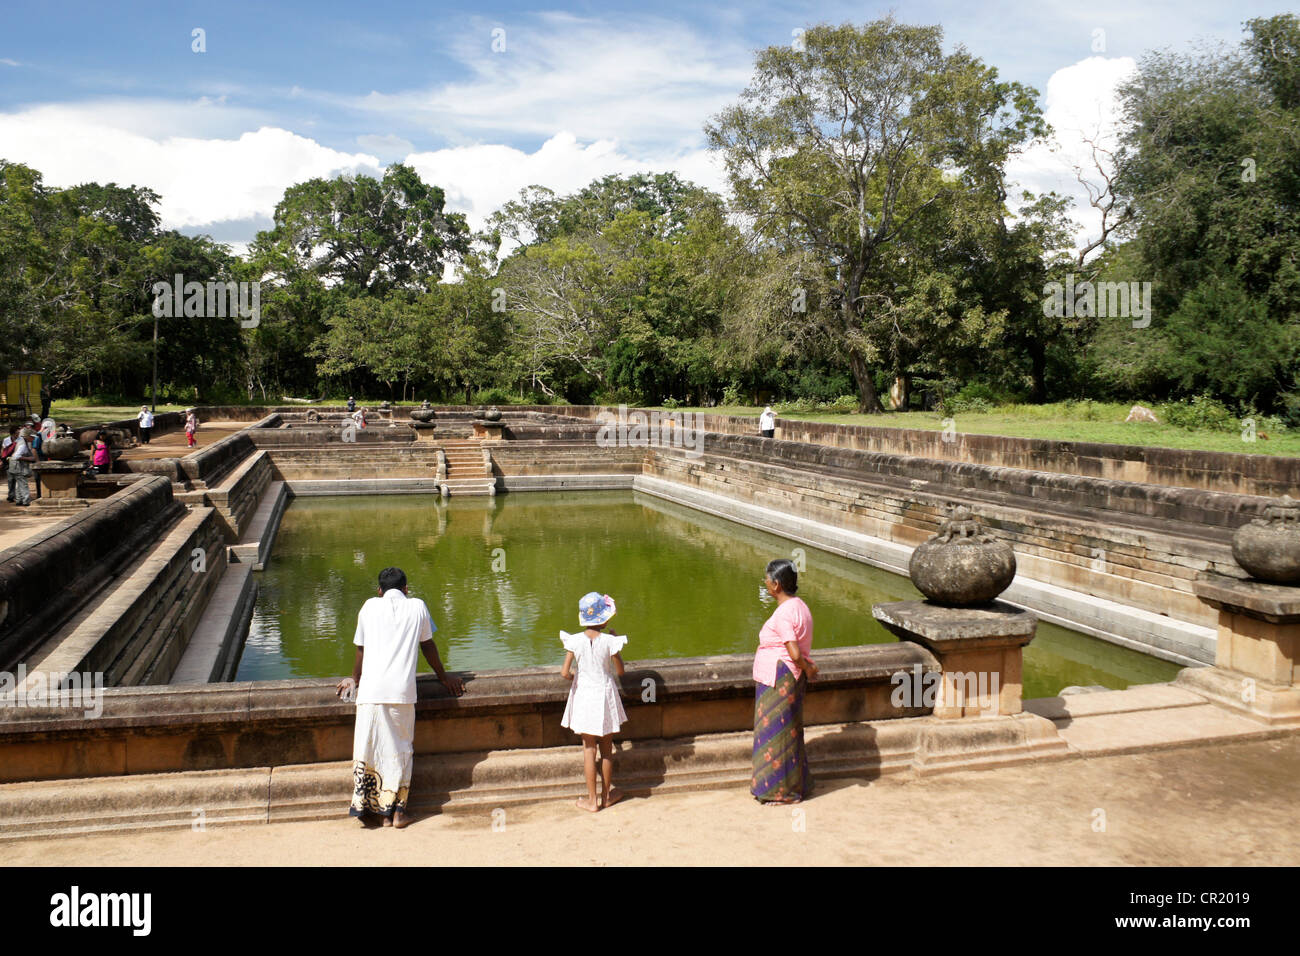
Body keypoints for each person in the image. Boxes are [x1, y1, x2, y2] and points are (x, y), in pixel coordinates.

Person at [335, 567, 465, 828]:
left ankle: (369, 809)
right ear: (406, 589)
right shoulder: (418, 606)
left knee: (369, 749)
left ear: (379, 590)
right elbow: (427, 645)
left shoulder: (369, 607)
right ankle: (397, 812)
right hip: (401, 692)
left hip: (370, 692)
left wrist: (354, 679)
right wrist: (443, 677)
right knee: (400, 750)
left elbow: (361, 648)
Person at [752, 558, 818, 804]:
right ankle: (797, 785)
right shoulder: (801, 606)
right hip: (789, 676)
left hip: (780, 677)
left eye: (767, 580)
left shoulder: (784, 613)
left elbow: (793, 651)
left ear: (776, 585)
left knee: (775, 734)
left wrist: (807, 668)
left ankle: (780, 792)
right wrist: (806, 668)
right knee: (789, 730)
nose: (766, 584)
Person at [560, 592, 628, 812]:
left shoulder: (574, 641)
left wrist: (574, 676)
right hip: (604, 695)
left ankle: (591, 801)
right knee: (607, 750)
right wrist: (616, 647)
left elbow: (564, 673)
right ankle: (607, 797)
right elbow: (620, 671)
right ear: (604, 619)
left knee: (589, 749)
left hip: (584, 696)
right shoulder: (610, 641)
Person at [7, 426, 36, 507]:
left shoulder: (22, 441)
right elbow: (16, 456)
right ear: (27, 436)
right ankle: (26, 501)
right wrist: (29, 458)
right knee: (23, 483)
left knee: (20, 483)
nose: (33, 439)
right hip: (18, 466)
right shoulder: (22, 444)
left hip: (15, 466)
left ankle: (19, 500)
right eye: (32, 437)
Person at [2, 425, 18, 502]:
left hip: (18, 461)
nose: (17, 435)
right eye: (16, 433)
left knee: (17, 479)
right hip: (8, 462)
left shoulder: (20, 440)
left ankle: (17, 496)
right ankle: (11, 495)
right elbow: (3, 451)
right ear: (12, 434)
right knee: (10, 479)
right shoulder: (6, 440)